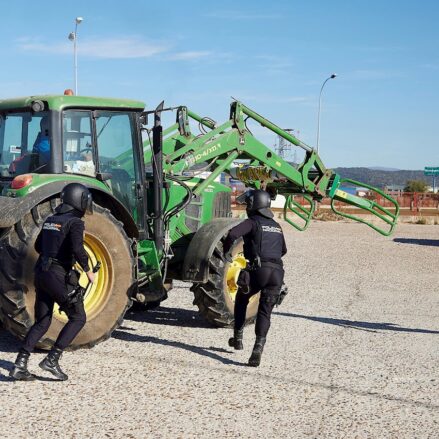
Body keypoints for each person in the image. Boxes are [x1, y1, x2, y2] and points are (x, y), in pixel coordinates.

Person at [9, 183, 95, 381]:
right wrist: (89, 271)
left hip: (40, 272)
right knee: (78, 317)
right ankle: (52, 359)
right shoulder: (75, 222)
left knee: (42, 321)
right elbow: (78, 250)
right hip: (56, 275)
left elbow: (39, 246)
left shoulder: (50, 219)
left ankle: (19, 365)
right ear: (80, 200)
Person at [223, 189, 287, 367]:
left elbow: (233, 234)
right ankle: (258, 348)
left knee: (242, 299)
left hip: (259, 270)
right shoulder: (276, 225)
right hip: (277, 273)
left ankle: (237, 338)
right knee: (265, 311)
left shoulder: (252, 222)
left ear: (253, 204)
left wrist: (226, 252)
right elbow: (283, 251)